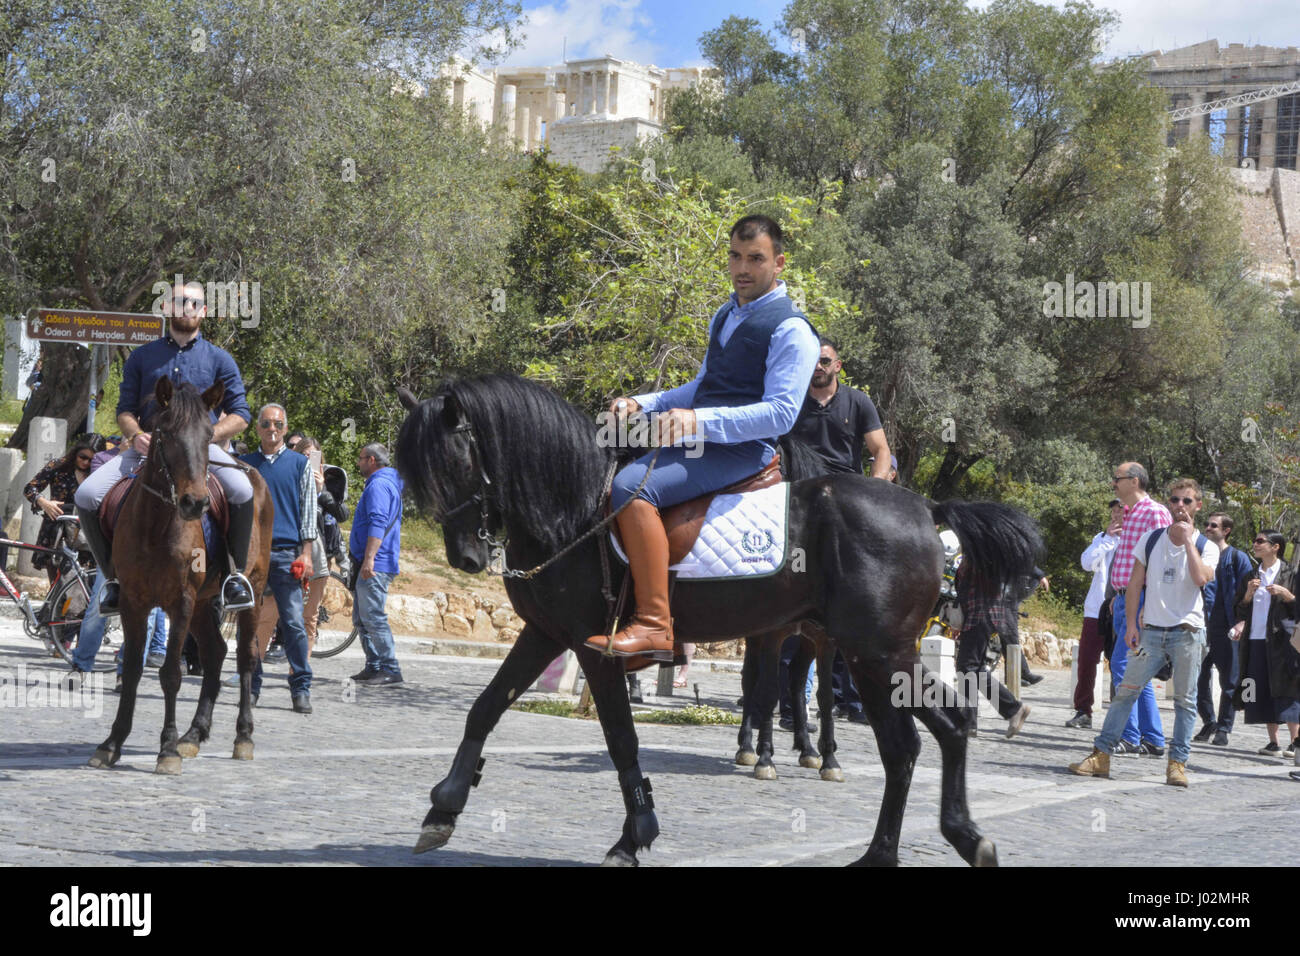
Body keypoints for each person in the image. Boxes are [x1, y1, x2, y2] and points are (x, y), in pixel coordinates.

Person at [586, 215, 819, 660]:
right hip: (704, 442)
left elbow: (781, 415)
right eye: (735, 256)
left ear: (780, 262)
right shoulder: (726, 314)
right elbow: (704, 386)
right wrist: (645, 401)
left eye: (755, 258)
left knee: (631, 488)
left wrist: (699, 422)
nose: (742, 268)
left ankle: (655, 626)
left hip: (744, 452)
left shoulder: (792, 329)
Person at [73, 281, 256, 614]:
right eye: (180, 301)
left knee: (243, 491)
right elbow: (124, 409)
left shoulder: (220, 359)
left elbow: (242, 414)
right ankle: (112, 579)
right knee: (85, 496)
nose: (187, 307)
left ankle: (234, 578)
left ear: (203, 311)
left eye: (194, 303)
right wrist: (136, 434)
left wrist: (207, 436)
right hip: (147, 449)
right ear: (168, 307)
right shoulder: (143, 356)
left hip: (201, 451)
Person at [1069, 478, 1218, 786]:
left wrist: (1189, 541)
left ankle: (1177, 763)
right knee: (1125, 693)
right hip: (1151, 631)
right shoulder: (1150, 539)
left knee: (1185, 702)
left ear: (1197, 506)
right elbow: (1135, 583)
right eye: (1175, 500)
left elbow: (1201, 578)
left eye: (1186, 501)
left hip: (1188, 633)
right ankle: (1101, 755)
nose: (1179, 506)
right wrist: (1133, 624)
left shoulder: (1207, 546)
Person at [783, 334, 890, 722]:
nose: (818, 367)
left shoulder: (858, 402)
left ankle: (853, 701)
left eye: (825, 361)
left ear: (837, 366)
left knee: (854, 603)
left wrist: (875, 493)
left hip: (847, 503)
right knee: (788, 600)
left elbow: (880, 450)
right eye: (813, 360)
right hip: (801, 504)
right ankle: (787, 702)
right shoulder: (791, 399)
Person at [240, 404, 316, 714]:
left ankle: (300, 687)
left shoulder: (300, 464)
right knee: (251, 625)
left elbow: (309, 510)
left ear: (285, 429)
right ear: (257, 428)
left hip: (287, 554)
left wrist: (307, 553)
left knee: (295, 624)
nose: (273, 428)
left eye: (279, 424)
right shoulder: (245, 465)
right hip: (251, 557)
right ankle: (251, 687)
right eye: (267, 423)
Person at [1105, 461, 1171, 756]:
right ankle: (1153, 738)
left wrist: (1148, 605)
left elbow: (1162, 561)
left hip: (1142, 599)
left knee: (1123, 665)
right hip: (1124, 598)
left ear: (1133, 481)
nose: (1113, 484)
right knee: (1136, 668)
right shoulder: (1130, 515)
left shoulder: (1154, 512)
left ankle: (1130, 735)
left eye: (1117, 479)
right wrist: (1117, 597)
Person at [1229, 530, 1300, 758]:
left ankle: (1295, 742)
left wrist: (1287, 595)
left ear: (1275, 546)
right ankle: (1273, 742)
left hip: (1283, 641)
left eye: (1260, 541)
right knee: (1261, 689)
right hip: (1255, 639)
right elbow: (1239, 609)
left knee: (1288, 688)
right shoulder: (1251, 575)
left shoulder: (1291, 573)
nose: (1255, 544)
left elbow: (1297, 607)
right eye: (1255, 540)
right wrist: (1248, 595)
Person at [954, 560, 1034, 738]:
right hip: (982, 613)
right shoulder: (981, 546)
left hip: (980, 613)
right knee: (973, 668)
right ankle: (970, 723)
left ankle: (1013, 709)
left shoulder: (982, 548)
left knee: (967, 667)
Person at [1193, 513, 1253, 747]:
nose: (1208, 528)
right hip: (1199, 623)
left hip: (1227, 626)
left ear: (1226, 530)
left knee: (1229, 680)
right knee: (1196, 677)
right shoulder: (1200, 555)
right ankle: (1209, 720)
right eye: (1206, 524)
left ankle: (1224, 728)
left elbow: (1250, 592)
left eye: (1213, 525)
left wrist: (1242, 622)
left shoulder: (1237, 558)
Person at [349, 443, 405, 686]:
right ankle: (374, 665)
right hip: (374, 561)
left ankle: (390, 668)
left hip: (375, 562)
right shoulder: (385, 482)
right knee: (362, 617)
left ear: (371, 460)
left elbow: (378, 522)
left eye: (361, 459)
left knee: (372, 616)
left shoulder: (379, 485)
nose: (358, 463)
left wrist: (369, 558)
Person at [1066, 498, 1123, 728]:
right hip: (1096, 607)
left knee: (1120, 663)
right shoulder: (1101, 538)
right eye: (1114, 510)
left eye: (1121, 509)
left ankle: (1120, 716)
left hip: (1122, 606)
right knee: (1087, 661)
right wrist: (1108, 538)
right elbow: (1086, 563)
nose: (1116, 513)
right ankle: (1083, 710)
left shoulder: (1138, 539)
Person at [23, 439, 96, 583]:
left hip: (85, 531)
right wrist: (44, 502)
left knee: (84, 584)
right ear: (75, 453)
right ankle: (54, 604)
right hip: (57, 530)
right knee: (57, 581)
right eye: (83, 457)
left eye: (91, 460)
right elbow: (30, 488)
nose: (86, 462)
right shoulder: (59, 465)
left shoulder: (97, 472)